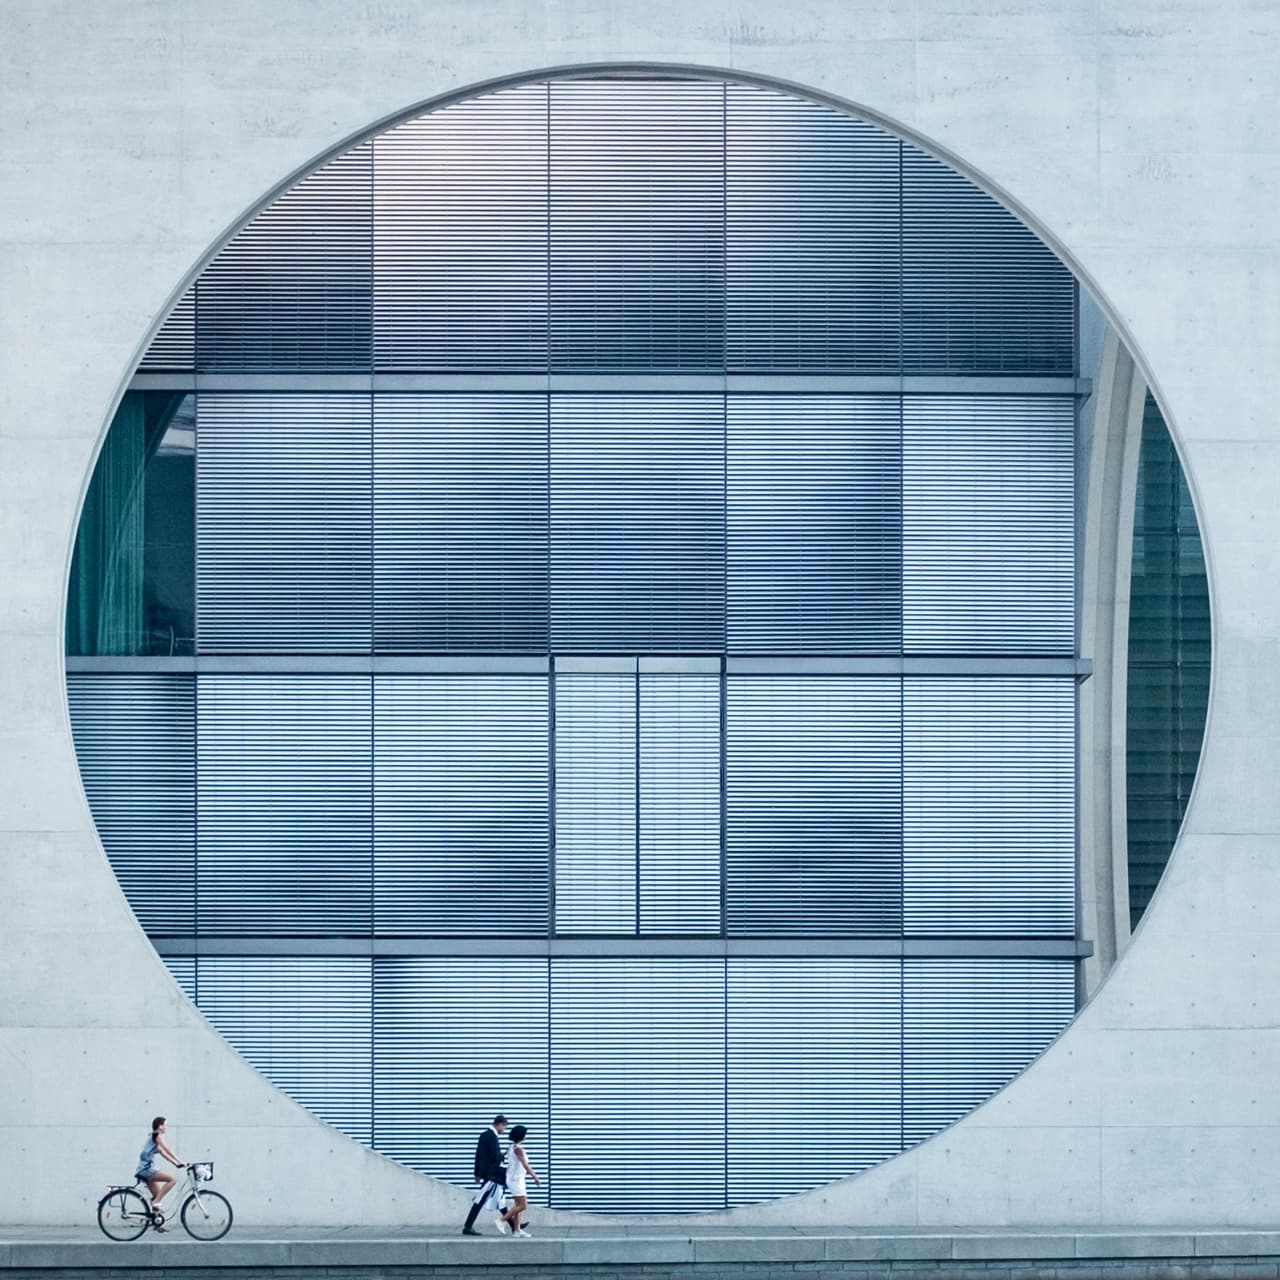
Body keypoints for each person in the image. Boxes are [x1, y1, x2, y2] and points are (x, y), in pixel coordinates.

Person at [461, 1114, 508, 1236]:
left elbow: (479, 1156)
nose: (504, 1130)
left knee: (499, 1201)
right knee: (480, 1200)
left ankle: (515, 1225)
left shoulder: (485, 1135)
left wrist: (477, 1174)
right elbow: (494, 1157)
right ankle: (467, 1226)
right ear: (499, 1124)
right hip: (491, 1175)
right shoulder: (492, 1137)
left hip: (488, 1174)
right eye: (504, 1127)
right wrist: (503, 1156)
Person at [135, 1116, 185, 1229]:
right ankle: (155, 1204)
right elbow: (167, 1149)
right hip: (146, 1169)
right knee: (172, 1180)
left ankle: (157, 1223)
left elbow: (163, 1153)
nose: (166, 1127)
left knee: (157, 1196)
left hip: (145, 1169)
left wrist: (175, 1163)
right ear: (160, 1126)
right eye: (165, 1125)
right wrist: (180, 1160)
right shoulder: (157, 1136)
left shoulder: (153, 1138)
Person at [498, 1124, 539, 1238]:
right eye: (525, 1134)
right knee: (523, 1205)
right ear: (521, 1136)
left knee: (518, 1206)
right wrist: (535, 1177)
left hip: (516, 1179)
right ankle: (502, 1220)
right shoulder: (518, 1149)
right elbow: (526, 1165)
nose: (526, 1136)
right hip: (515, 1180)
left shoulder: (512, 1147)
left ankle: (517, 1230)